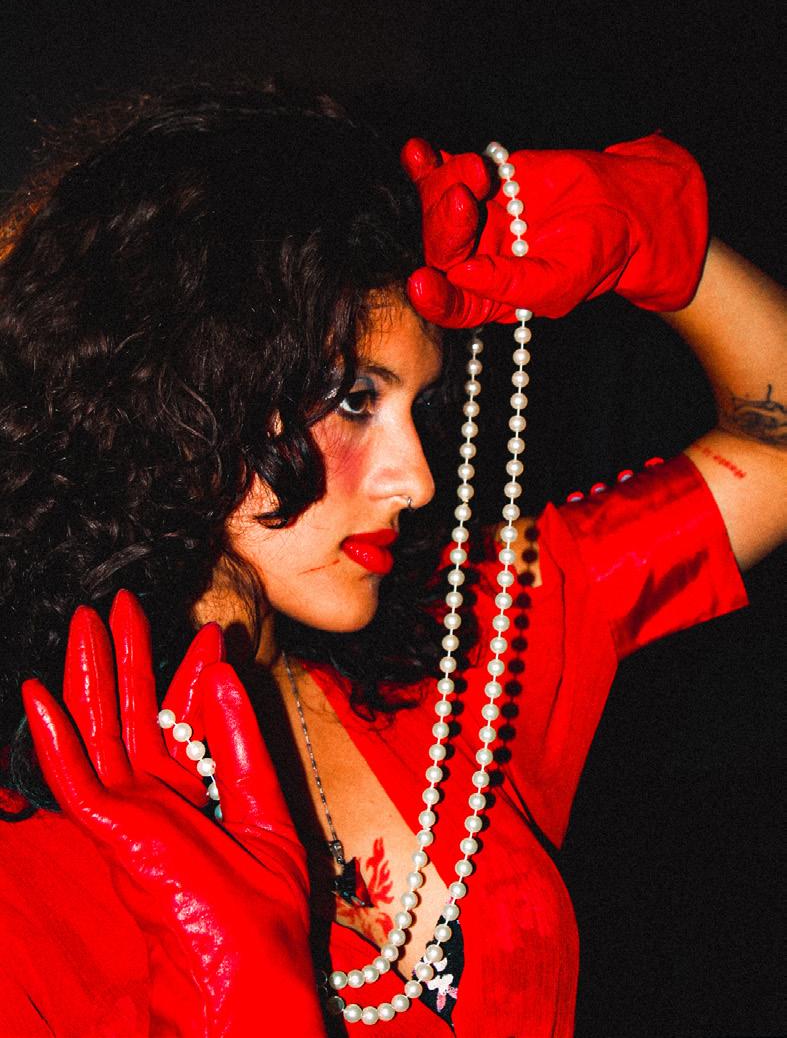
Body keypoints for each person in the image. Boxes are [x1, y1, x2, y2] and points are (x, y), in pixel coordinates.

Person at [0, 82, 784, 1037]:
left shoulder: (462, 663)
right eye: (353, 400)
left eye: (417, 406)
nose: (416, 480)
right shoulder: (30, 845)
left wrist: (665, 250)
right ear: (177, 394)